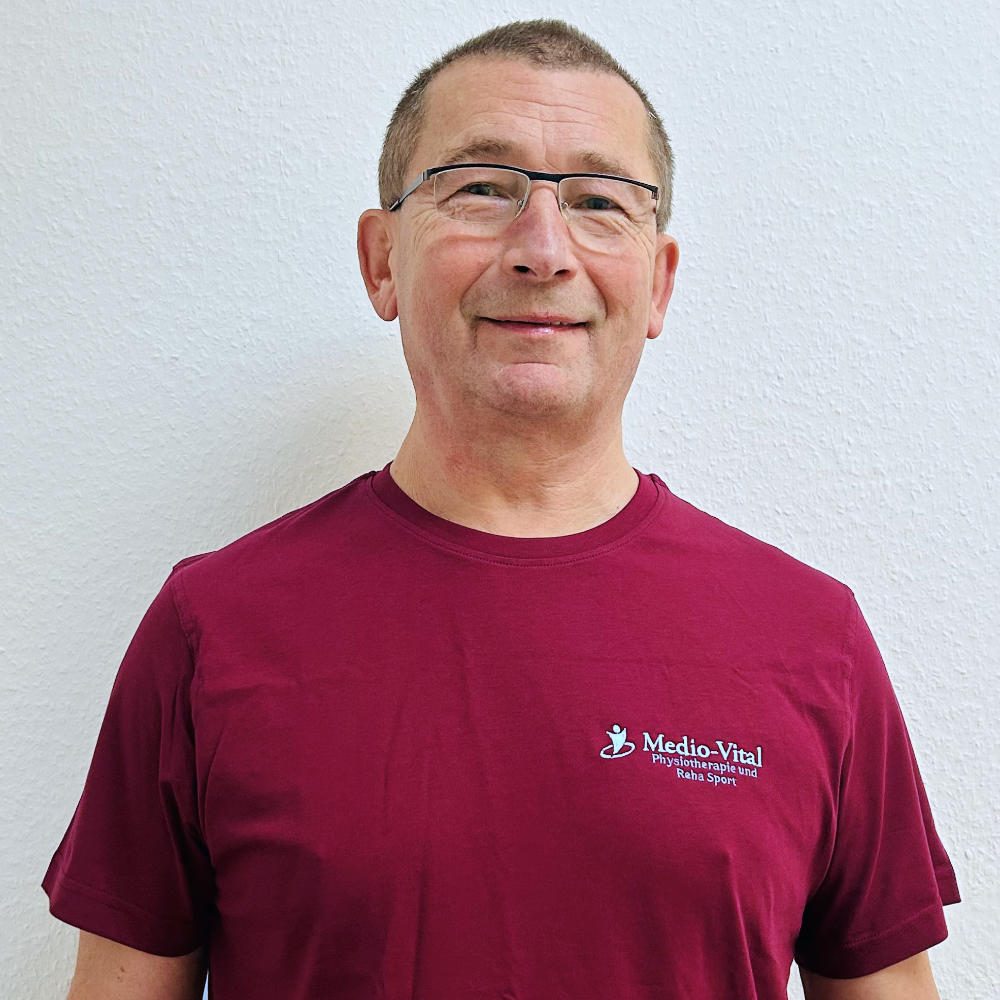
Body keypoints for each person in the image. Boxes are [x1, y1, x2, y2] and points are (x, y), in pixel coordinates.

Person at [44, 19, 959, 1000]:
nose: (543, 249)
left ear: (658, 281)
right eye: (481, 188)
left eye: (600, 201)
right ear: (382, 261)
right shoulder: (213, 627)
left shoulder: (810, 638)